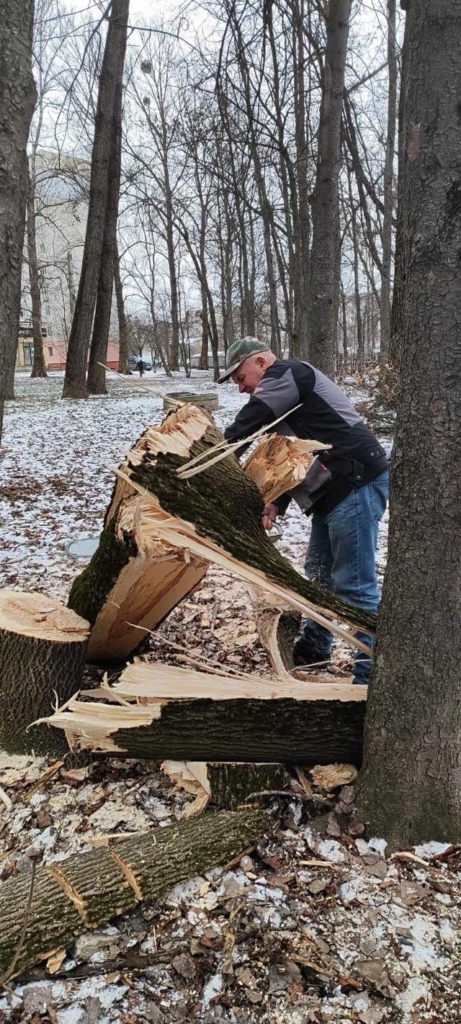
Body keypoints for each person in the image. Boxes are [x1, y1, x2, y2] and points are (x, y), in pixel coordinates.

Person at [218, 337, 389, 684]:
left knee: (355, 586)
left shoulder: (287, 374)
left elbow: (253, 420)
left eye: (240, 378)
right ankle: (314, 650)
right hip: (335, 491)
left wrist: (217, 457)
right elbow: (288, 454)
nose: (241, 389)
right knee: (320, 575)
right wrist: (276, 501)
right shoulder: (283, 396)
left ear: (262, 363)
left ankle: (370, 677)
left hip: (353, 483)